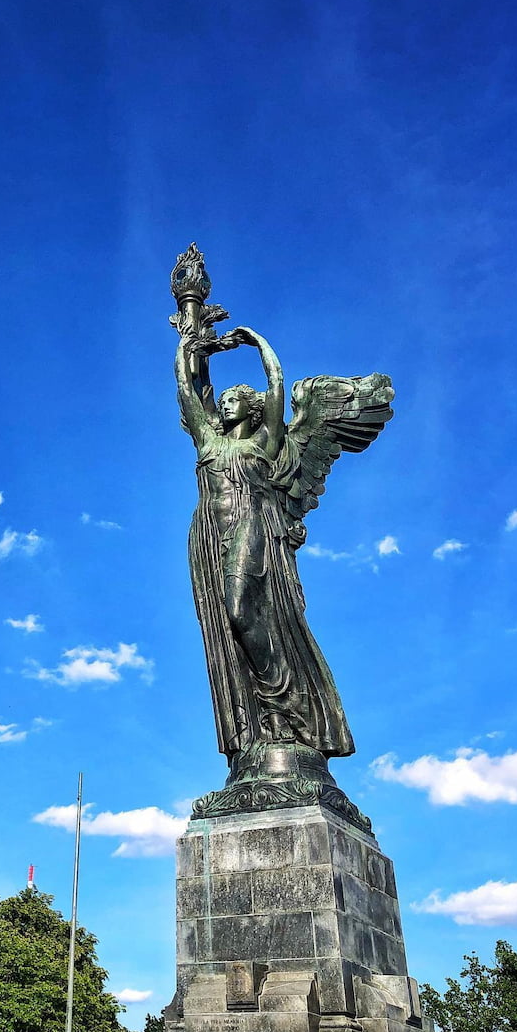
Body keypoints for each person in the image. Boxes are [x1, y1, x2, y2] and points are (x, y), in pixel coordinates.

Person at [174, 322, 355, 761]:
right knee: (228, 632)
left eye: (235, 398)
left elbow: (275, 383)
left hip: (254, 524)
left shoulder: (267, 440)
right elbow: (186, 385)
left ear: (252, 410)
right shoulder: (209, 441)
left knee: (242, 612)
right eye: (225, 399)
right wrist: (189, 344)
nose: (226, 402)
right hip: (209, 535)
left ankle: (289, 705)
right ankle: (263, 723)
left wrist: (256, 341)